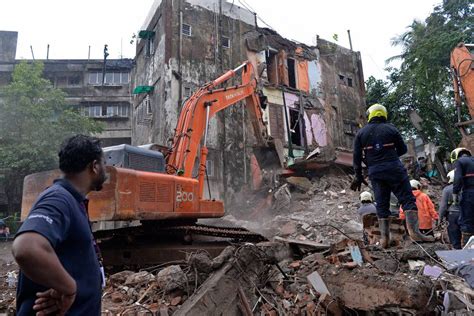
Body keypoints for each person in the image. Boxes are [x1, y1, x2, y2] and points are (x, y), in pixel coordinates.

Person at [12, 135, 107, 315]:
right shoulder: (59, 199)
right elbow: (26, 247)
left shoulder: (71, 200)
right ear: (94, 166)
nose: (106, 169)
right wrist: (69, 287)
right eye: (104, 163)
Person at [351, 103, 434, 248]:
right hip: (394, 168)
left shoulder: (361, 133)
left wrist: (358, 176)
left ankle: (384, 240)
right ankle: (415, 233)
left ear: (370, 114)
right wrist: (388, 155)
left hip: (375, 172)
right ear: (384, 114)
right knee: (407, 199)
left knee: (382, 203)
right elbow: (402, 149)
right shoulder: (391, 129)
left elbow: (356, 157)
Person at [451, 147, 474, 246]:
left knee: (467, 221)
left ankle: (468, 249)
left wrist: (455, 193)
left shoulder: (460, 161)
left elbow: (458, 178)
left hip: (469, 193)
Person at [439, 170, 462, 249]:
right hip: (466, 214)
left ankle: (457, 253)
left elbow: (443, 206)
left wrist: (440, 219)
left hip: (452, 215)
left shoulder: (447, 189)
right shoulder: (467, 188)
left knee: (454, 238)